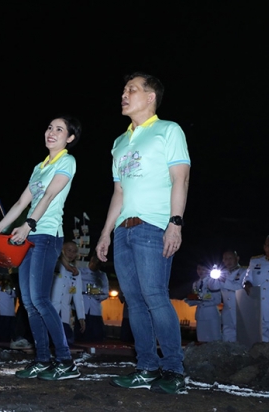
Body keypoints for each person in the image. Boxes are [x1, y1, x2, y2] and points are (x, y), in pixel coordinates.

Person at [96, 72, 191, 394]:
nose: (124, 94)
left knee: (154, 297)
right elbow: (118, 192)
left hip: (153, 225)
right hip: (123, 230)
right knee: (133, 302)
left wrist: (174, 222)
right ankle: (146, 367)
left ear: (150, 97)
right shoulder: (119, 142)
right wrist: (105, 232)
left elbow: (181, 179)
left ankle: (174, 369)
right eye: (123, 90)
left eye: (131, 90)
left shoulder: (168, 130)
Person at [0, 114, 82, 381]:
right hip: (29, 237)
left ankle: (65, 361)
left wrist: (29, 225)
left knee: (41, 300)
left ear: (70, 138)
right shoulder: (39, 167)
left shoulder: (67, 161)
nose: (51, 132)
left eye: (60, 129)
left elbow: (51, 195)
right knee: (29, 303)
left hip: (46, 235)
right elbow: (21, 203)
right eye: (49, 127)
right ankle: (42, 360)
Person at [51, 241, 85, 345]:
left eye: (74, 251)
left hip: (65, 312)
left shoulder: (75, 272)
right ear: (62, 250)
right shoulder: (53, 265)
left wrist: (81, 317)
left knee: (67, 340)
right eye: (69, 250)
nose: (71, 254)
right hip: (51, 309)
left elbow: (78, 295)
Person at [206, 249, 245, 342]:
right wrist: (213, 276)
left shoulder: (244, 271)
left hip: (241, 310)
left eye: (230, 258)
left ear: (237, 258)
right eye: (225, 259)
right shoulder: (223, 273)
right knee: (227, 338)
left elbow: (240, 288)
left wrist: (224, 280)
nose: (228, 261)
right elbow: (213, 287)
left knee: (243, 338)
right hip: (227, 311)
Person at [76, 253, 109, 342]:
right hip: (82, 308)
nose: (96, 265)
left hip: (95, 310)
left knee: (97, 337)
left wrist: (96, 293)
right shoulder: (80, 271)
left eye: (99, 263)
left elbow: (106, 293)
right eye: (95, 262)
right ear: (91, 261)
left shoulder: (102, 275)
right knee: (80, 336)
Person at [185, 264, 222, 342]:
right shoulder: (195, 284)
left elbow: (217, 300)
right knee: (201, 340)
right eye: (199, 269)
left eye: (203, 269)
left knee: (215, 340)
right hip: (200, 315)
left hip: (211, 315)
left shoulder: (213, 282)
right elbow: (196, 297)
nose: (200, 271)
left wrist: (202, 302)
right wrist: (190, 301)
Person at [243, 236, 269, 342]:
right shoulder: (255, 261)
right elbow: (247, 278)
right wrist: (247, 284)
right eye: (268, 245)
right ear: (264, 247)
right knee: (261, 341)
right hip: (260, 308)